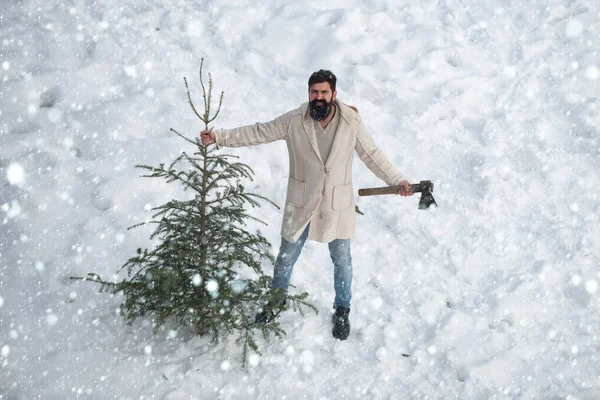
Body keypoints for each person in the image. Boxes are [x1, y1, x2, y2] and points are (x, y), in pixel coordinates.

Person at [200, 69, 412, 340]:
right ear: (308, 93)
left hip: (336, 204)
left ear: (334, 94)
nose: (319, 97)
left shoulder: (351, 121)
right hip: (302, 202)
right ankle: (277, 300)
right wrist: (220, 137)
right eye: (314, 92)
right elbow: (259, 132)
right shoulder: (294, 120)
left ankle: (342, 308)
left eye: (324, 92)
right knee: (286, 257)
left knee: (342, 259)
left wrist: (397, 180)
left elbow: (372, 155)